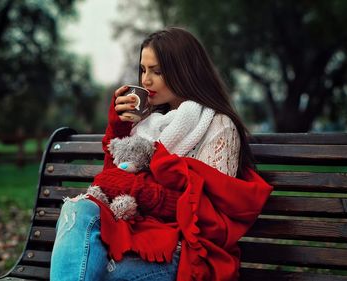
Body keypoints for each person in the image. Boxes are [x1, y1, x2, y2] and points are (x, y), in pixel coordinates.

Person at [50, 27, 272, 281]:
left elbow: (208, 217)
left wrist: (140, 190)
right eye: (143, 70)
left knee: (94, 272)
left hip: (182, 252)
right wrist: (119, 128)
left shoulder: (218, 126)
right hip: (134, 236)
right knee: (78, 210)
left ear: (185, 71)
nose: (146, 80)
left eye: (157, 71)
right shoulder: (147, 123)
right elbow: (112, 186)